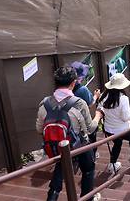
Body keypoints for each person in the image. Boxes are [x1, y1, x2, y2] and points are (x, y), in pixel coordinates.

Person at [36, 66, 102, 201]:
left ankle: (52, 197)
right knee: (88, 168)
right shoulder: (79, 103)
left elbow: (39, 129)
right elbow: (90, 129)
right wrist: (98, 116)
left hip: (57, 147)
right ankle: (86, 198)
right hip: (77, 146)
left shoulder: (45, 104)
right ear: (73, 83)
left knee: (61, 166)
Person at [97, 73, 130, 174]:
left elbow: (100, 109)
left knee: (117, 143)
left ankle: (112, 164)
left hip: (108, 130)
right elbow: (126, 117)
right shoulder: (123, 98)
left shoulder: (104, 96)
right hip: (122, 130)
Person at [70, 61, 101, 155]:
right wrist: (96, 95)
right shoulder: (83, 90)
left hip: (71, 124)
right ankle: (93, 154)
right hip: (82, 123)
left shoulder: (66, 88)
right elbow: (91, 103)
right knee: (91, 133)